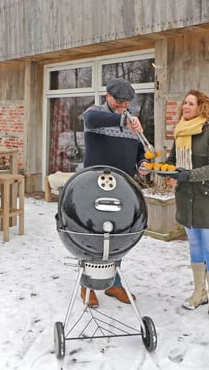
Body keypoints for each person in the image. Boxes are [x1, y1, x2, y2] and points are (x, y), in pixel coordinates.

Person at [166, 89, 209, 329]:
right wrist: (154, 168)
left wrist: (189, 174)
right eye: (184, 103)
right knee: (195, 246)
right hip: (187, 199)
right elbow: (172, 162)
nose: (185, 106)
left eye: (191, 103)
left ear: (202, 107)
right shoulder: (181, 132)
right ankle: (199, 293)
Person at [80, 77, 147, 308]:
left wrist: (141, 164)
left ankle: (113, 283)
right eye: (119, 102)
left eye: (126, 103)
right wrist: (122, 120)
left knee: (119, 236)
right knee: (93, 236)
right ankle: (87, 285)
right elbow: (92, 119)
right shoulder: (95, 113)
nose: (123, 106)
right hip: (94, 186)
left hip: (124, 187)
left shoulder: (132, 120)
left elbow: (139, 150)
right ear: (107, 96)